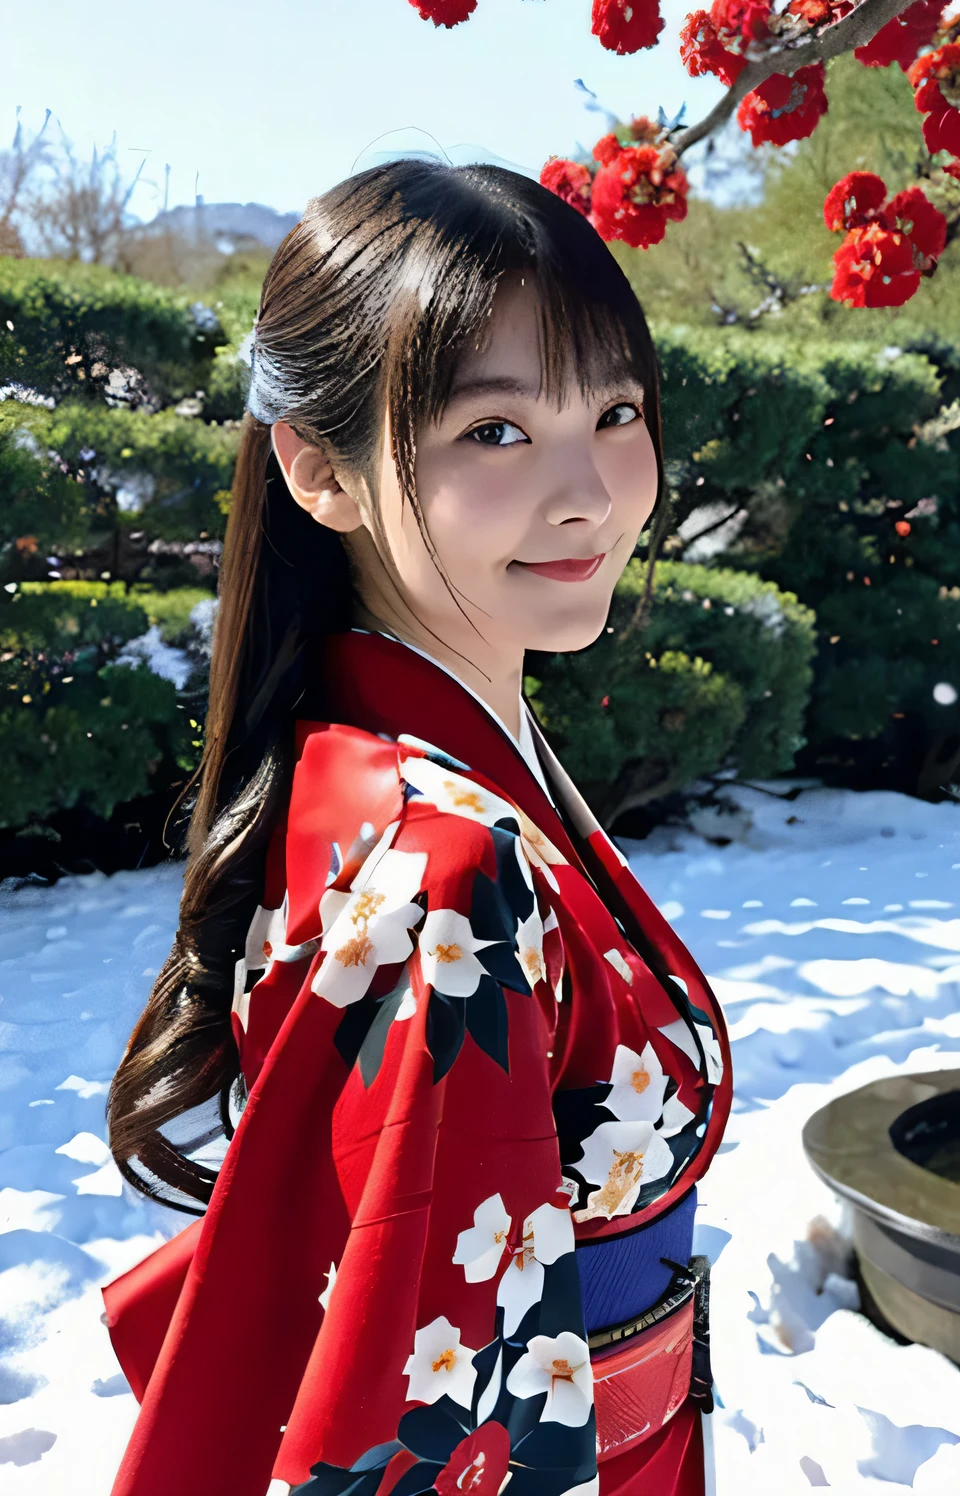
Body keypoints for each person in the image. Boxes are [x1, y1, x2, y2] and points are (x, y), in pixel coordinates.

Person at [102, 160, 732, 1496]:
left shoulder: (428, 763)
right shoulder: (443, 863)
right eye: (495, 431)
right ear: (319, 471)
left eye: (615, 411)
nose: (592, 494)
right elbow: (431, 1416)